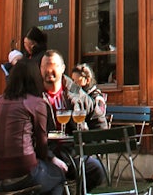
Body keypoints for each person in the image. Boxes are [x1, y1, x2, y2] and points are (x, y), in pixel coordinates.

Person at [0, 58, 67, 195]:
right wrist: (52, 158)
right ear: (36, 78)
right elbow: (42, 144)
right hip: (23, 172)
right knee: (58, 176)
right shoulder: (36, 103)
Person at [40, 50, 106, 189]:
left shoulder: (76, 92)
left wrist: (90, 148)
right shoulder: (35, 95)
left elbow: (98, 120)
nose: (48, 70)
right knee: (50, 178)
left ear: (63, 68)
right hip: (44, 155)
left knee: (96, 170)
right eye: (45, 66)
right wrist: (49, 156)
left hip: (73, 153)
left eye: (53, 66)